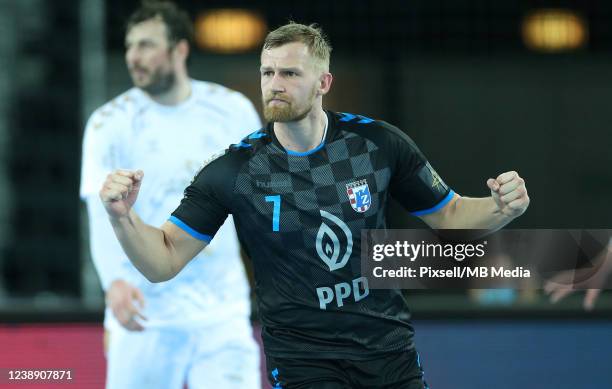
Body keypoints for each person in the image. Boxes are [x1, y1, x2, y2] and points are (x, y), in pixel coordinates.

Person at [98, 22, 530, 389]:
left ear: (323, 82)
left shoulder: (377, 145)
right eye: (267, 72)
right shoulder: (235, 171)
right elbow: (163, 261)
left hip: (388, 354)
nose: (274, 84)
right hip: (305, 364)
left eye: (289, 73)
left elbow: (452, 218)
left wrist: (501, 208)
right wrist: (123, 218)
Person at [80, 2, 261, 388]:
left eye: (146, 45)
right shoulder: (108, 124)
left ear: (179, 49)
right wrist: (113, 281)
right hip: (145, 313)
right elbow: (100, 213)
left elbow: (258, 204)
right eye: (130, 46)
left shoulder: (233, 112)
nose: (133, 56)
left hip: (221, 314)